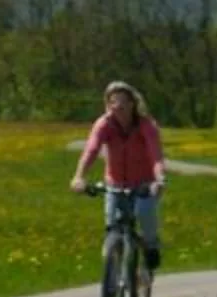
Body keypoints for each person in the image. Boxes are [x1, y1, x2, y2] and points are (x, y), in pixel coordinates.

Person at [69, 81, 164, 269]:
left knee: (145, 213)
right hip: (115, 183)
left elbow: (156, 156)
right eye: (112, 102)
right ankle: (115, 270)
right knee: (112, 223)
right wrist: (79, 176)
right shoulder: (104, 124)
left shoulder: (145, 125)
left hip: (144, 183)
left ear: (132, 104)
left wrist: (159, 179)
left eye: (122, 102)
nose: (117, 107)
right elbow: (91, 150)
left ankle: (151, 247)